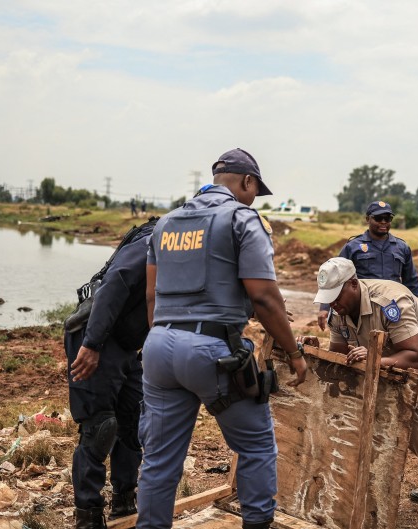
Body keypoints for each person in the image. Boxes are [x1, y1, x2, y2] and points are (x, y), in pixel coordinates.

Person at [137, 148, 308, 529]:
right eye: (254, 189)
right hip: (213, 352)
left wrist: (163, 341)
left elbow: (151, 295)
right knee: (256, 446)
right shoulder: (242, 219)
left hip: (159, 346)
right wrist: (294, 353)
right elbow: (264, 296)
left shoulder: (166, 223)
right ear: (247, 182)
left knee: (160, 459)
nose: (253, 197)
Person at [314, 257, 418, 503]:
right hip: (385, 355)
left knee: (405, 410)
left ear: (353, 284)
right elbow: (339, 356)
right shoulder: (338, 310)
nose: (332, 303)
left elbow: (414, 357)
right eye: (327, 297)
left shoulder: (389, 302)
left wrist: (373, 358)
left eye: (336, 295)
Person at [64, 219, 157, 528]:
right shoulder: (159, 239)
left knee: (132, 421)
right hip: (96, 336)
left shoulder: (198, 250)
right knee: (100, 427)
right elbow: (115, 283)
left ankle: (124, 501)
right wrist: (92, 344)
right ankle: (88, 515)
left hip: (127, 344)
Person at [317, 200, 418, 330]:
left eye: (388, 218)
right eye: (378, 218)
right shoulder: (353, 247)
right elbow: (333, 276)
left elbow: (411, 281)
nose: (383, 222)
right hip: (364, 307)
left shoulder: (401, 247)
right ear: (368, 219)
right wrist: (324, 308)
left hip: (394, 305)